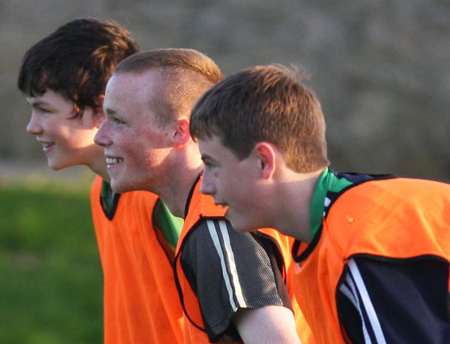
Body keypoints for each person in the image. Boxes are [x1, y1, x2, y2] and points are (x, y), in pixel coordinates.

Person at [189, 63, 450, 344]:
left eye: (212, 165)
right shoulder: (325, 236)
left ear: (264, 161)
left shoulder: (357, 244)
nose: (206, 186)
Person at [94, 49, 312, 344]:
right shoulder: (225, 207)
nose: (100, 136)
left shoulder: (218, 225)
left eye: (118, 120)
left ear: (179, 133)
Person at [17, 18, 184, 344]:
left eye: (44, 110)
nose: (31, 126)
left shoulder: (162, 196)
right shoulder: (101, 191)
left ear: (102, 107)